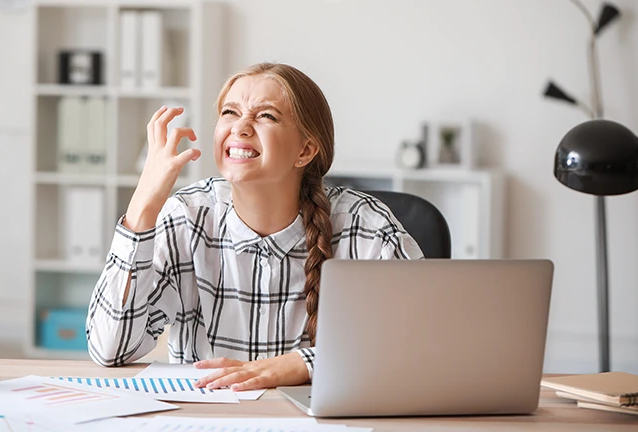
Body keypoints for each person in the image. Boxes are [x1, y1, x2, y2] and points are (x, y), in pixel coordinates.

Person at [86, 62, 423, 391]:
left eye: (266, 116)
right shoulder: (185, 217)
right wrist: (143, 206)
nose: (240, 127)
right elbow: (110, 348)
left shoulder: (367, 228)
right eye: (230, 113)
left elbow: (421, 347)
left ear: (305, 150)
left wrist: (300, 365)